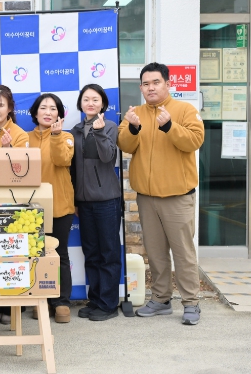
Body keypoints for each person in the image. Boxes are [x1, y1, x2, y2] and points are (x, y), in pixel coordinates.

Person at [117, 62, 205, 325]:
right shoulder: (135, 114)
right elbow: (124, 144)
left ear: (168, 84)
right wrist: (133, 128)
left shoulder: (185, 110)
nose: (150, 88)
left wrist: (169, 126)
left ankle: (191, 302)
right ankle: (161, 299)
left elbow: (195, 140)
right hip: (146, 197)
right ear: (141, 88)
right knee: (155, 253)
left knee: (183, 252)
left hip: (178, 196)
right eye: (145, 84)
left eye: (156, 82)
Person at [70, 84, 121, 321]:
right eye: (86, 99)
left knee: (108, 253)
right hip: (84, 201)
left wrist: (99, 133)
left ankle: (108, 304)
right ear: (80, 103)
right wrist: (75, 200)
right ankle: (96, 299)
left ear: (103, 104)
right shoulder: (75, 131)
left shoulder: (109, 126)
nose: (90, 103)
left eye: (95, 99)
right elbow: (73, 168)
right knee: (91, 253)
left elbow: (108, 157)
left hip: (106, 200)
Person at [0, 84, 29, 324]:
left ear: (10, 108)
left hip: (11, 201)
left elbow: (21, 171)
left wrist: (7, 150)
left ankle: (13, 305)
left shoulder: (20, 135)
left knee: (11, 251)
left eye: (1, 105)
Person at [27, 93, 75, 323]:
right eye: (43, 108)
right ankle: (41, 299)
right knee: (35, 255)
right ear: (35, 112)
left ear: (59, 114)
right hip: (30, 208)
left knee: (60, 253)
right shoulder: (24, 138)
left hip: (60, 205)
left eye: (53, 108)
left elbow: (62, 160)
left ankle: (61, 302)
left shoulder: (66, 137)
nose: (48, 112)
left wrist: (55, 136)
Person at [0, 84, 29, 154]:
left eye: (0, 106)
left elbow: (23, 160)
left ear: (9, 108)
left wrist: (8, 148)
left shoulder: (21, 135)